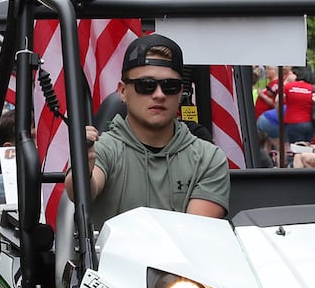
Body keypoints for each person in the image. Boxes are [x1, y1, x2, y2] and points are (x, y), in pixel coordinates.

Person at [73, 33, 229, 222]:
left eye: (169, 86)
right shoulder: (102, 149)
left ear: (180, 93)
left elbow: (196, 233)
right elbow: (79, 192)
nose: (159, 94)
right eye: (146, 85)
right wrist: (83, 165)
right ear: (123, 91)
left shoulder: (209, 158)